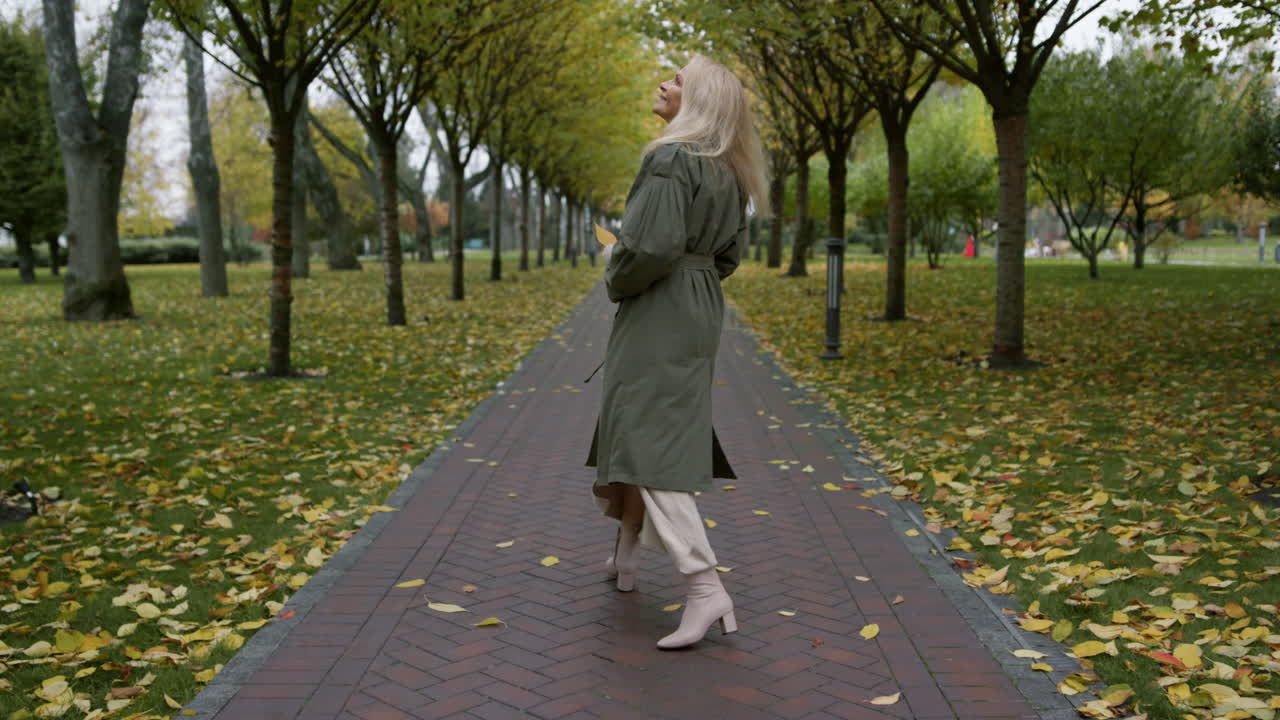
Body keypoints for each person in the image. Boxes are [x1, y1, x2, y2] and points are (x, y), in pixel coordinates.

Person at [584, 55, 767, 650]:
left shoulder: (671, 158)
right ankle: (627, 554)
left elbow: (649, 248)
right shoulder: (729, 169)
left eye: (679, 80)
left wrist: (617, 270)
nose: (664, 84)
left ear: (700, 100)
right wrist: (693, 277)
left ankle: (704, 585)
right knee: (646, 419)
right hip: (698, 302)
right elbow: (728, 256)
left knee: (648, 433)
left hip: (662, 303)